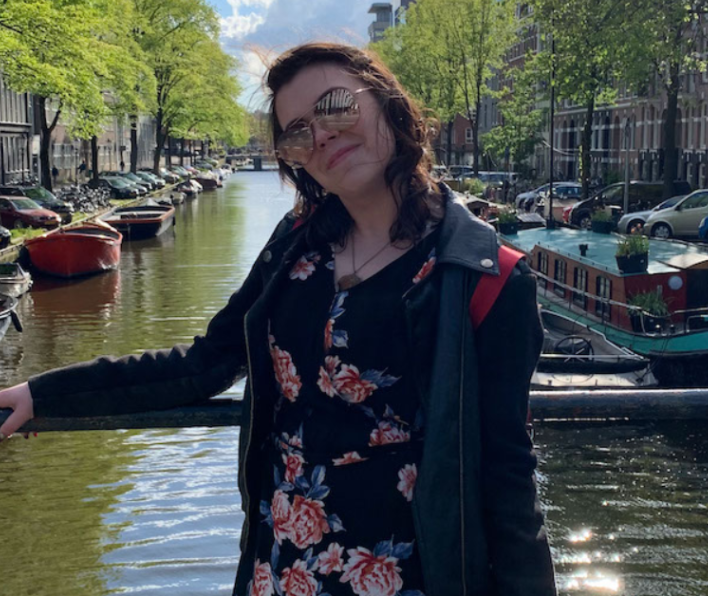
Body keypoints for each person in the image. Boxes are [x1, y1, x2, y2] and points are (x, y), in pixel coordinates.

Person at [0, 42, 556, 596]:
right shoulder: (294, 249)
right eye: (296, 132)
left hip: (410, 574)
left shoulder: (483, 277)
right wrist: (46, 394)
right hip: (282, 569)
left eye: (337, 105)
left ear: (388, 102)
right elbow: (203, 364)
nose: (321, 135)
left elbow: (507, 476)